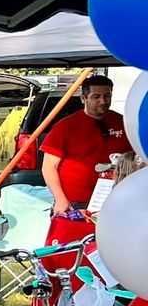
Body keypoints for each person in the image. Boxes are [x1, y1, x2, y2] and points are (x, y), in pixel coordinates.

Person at [41, 74, 131, 244]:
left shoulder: (122, 122)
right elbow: (48, 167)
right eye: (96, 97)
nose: (103, 101)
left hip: (112, 201)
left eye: (107, 96)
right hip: (75, 203)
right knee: (73, 251)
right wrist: (60, 200)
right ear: (83, 98)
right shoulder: (66, 126)